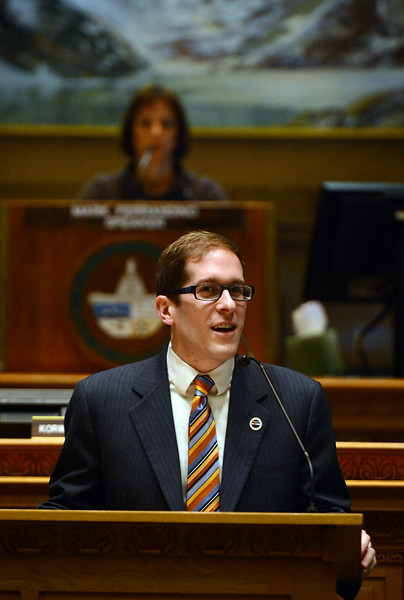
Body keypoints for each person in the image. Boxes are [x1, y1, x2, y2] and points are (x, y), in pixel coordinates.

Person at [38, 230, 376, 599]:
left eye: (239, 290)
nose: (229, 304)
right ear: (166, 309)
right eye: (208, 291)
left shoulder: (296, 399)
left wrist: (351, 547)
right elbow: (67, 520)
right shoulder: (102, 399)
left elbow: (327, 517)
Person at [77, 84, 228, 201]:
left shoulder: (205, 195)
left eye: (166, 124)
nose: (156, 132)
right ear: (131, 132)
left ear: (179, 133)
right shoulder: (102, 193)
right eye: (146, 124)